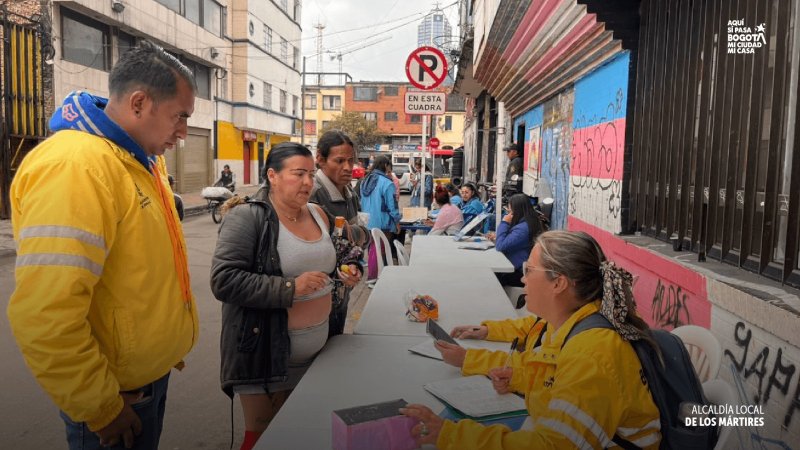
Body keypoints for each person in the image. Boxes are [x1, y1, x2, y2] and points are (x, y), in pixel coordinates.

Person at [7, 40, 198, 450]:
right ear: (139, 102)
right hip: (115, 395)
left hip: (145, 380)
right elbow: (46, 313)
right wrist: (100, 406)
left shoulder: (137, 157)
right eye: (179, 117)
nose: (183, 133)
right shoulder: (75, 167)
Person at [401, 230, 661, 449]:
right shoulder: (570, 326)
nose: (523, 278)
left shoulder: (591, 354)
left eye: (529, 269)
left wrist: (449, 434)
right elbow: (554, 375)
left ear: (558, 283)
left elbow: (552, 446)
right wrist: (516, 377)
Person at [210, 142, 362, 450]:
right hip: (265, 354)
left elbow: (345, 250)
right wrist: (291, 288)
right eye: (298, 174)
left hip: (318, 352)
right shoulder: (248, 218)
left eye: (311, 174)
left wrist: (351, 268)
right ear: (273, 176)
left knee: (301, 436)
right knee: (264, 438)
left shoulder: (319, 214)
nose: (308, 182)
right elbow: (224, 281)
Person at [309, 130, 370, 336]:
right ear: (320, 159)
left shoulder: (350, 193)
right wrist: (356, 234)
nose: (348, 168)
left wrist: (354, 264)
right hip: (317, 297)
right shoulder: (312, 194)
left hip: (342, 293)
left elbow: (358, 242)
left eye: (350, 161)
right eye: (339, 161)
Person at [487, 193, 545, 288]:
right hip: (516, 266)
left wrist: (504, 223)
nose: (508, 214)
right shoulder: (526, 223)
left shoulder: (523, 229)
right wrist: (498, 236)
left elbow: (501, 246)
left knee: (492, 278)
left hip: (518, 271)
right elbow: (510, 241)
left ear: (517, 211)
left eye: (510, 211)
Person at [360, 155, 402, 241]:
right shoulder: (387, 183)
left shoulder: (364, 181)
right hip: (383, 225)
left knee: (372, 251)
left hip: (366, 223)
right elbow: (392, 206)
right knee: (381, 252)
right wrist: (397, 222)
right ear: (386, 165)